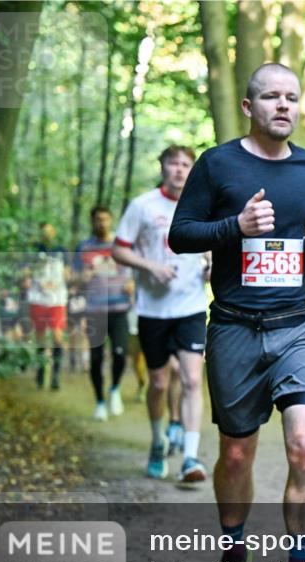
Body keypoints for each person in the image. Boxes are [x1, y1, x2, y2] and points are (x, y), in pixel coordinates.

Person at [169, 62, 305, 562]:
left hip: (299, 324)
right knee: (236, 452)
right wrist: (234, 228)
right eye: (270, 97)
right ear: (249, 107)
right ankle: (235, 549)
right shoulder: (218, 164)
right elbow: (181, 234)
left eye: (291, 97)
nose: (283, 106)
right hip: (236, 326)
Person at [112, 146, 211, 483]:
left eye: (186, 164)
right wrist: (150, 266)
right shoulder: (143, 206)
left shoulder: (203, 205)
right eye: (173, 164)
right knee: (158, 382)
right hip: (153, 309)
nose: (180, 170)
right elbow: (119, 250)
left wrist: (211, 266)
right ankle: (157, 442)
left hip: (192, 306)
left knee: (192, 379)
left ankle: (191, 458)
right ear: (162, 167)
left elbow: (212, 247)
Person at [75, 206, 131, 420]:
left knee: (120, 353)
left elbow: (133, 269)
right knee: (96, 359)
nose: (102, 223)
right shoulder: (84, 247)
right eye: (98, 219)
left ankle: (114, 388)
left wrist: (132, 283)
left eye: (106, 219)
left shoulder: (121, 243)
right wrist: (83, 278)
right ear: (92, 221)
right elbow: (74, 278)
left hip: (119, 308)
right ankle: (99, 401)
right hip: (94, 310)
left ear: (111, 220)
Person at [25, 224, 70, 390]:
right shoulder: (34, 249)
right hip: (37, 298)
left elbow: (68, 273)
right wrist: (31, 279)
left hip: (57, 300)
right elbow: (26, 271)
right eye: (44, 231)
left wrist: (58, 282)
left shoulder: (62, 250)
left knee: (58, 337)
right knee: (40, 337)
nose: (47, 233)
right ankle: (40, 371)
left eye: (50, 230)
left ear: (54, 233)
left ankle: (56, 376)